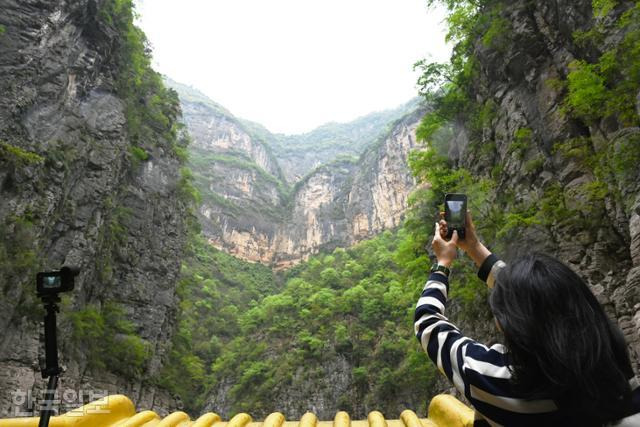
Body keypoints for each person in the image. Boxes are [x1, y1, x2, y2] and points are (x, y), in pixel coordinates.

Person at [414, 212, 640, 426]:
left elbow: (428, 322)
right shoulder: (612, 364)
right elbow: (544, 298)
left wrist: (442, 264)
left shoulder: (502, 384)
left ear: (507, 324)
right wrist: (474, 247)